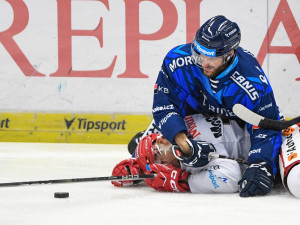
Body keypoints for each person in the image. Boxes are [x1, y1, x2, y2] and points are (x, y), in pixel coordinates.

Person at [151, 15, 282, 197]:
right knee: (141, 147)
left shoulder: (252, 82)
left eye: (211, 57)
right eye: (199, 53)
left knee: (269, 172)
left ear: (229, 54)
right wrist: (184, 142)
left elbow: (266, 126)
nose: (203, 63)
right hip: (196, 122)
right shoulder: (177, 61)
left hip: (237, 132)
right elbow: (165, 104)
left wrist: (261, 164)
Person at [112, 113, 250, 194]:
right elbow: (149, 145)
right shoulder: (172, 127)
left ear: (163, 141)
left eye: (157, 158)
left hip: (263, 151)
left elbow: (231, 179)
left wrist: (183, 181)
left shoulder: (189, 156)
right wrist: (135, 168)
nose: (160, 167)